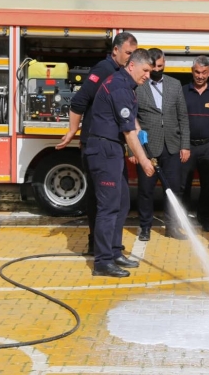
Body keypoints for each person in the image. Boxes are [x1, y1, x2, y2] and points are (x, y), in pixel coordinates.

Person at [56, 32, 138, 256]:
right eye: (128, 53)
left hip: (110, 144)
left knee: (115, 202)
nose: (131, 59)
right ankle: (102, 250)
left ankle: (110, 248)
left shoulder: (121, 74)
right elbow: (78, 101)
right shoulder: (104, 70)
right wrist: (73, 130)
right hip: (98, 145)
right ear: (115, 50)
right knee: (106, 203)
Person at [85, 48, 155, 278]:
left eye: (151, 71)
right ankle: (103, 261)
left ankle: (114, 252)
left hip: (112, 150)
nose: (148, 75)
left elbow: (130, 122)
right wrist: (144, 161)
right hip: (104, 150)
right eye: (145, 70)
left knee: (122, 202)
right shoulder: (119, 86)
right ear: (132, 65)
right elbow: (127, 132)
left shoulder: (126, 86)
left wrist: (140, 131)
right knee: (108, 208)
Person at [131, 48, 191, 241]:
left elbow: (183, 116)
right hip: (148, 148)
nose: (158, 70)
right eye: (155, 67)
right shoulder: (138, 86)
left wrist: (185, 145)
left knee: (173, 190)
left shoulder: (175, 85)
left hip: (172, 146)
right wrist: (132, 149)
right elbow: (130, 119)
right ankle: (146, 227)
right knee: (146, 190)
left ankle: (171, 227)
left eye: (161, 66)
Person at [180, 56, 209, 233]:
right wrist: (182, 145)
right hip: (188, 146)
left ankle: (205, 217)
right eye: (197, 72)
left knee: (208, 185)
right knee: (183, 185)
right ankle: (183, 218)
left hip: (208, 147)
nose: (200, 76)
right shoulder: (182, 92)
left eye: (204, 72)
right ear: (192, 71)